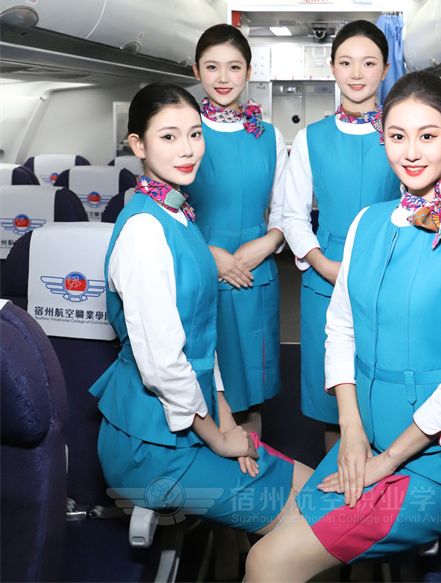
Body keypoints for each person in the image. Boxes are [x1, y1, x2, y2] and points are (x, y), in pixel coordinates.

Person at [245, 70, 441, 581]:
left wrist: (384, 462)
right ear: (382, 137)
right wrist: (350, 433)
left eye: (428, 136)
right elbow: (341, 329)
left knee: (267, 561)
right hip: (361, 442)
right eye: (397, 136)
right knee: (272, 535)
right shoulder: (368, 222)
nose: (411, 152)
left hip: (428, 464)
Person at [90, 83, 311, 538]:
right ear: (138, 145)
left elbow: (201, 340)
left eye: (195, 134)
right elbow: (163, 364)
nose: (187, 149)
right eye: (169, 137)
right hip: (152, 447)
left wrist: (228, 422)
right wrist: (220, 440)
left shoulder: (177, 213)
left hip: (195, 417)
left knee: (314, 488)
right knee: (313, 517)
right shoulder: (145, 231)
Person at [283, 19, 399, 447]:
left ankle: (380, 483)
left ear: (385, 69)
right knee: (332, 401)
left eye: (368, 62)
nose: (356, 73)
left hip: (389, 273)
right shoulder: (310, 138)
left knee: (384, 390)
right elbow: (293, 216)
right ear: (332, 68)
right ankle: (337, 487)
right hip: (325, 276)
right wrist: (323, 264)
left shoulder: (400, 134)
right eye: (346, 62)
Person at [187, 24, 286, 437]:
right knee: (201, 385)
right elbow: (164, 206)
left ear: (248, 70)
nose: (223, 78)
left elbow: (284, 209)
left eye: (234, 67)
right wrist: (210, 254)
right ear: (197, 71)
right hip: (197, 269)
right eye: (212, 67)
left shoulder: (269, 136)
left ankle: (252, 469)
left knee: (249, 392)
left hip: (253, 275)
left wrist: (268, 243)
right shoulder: (184, 132)